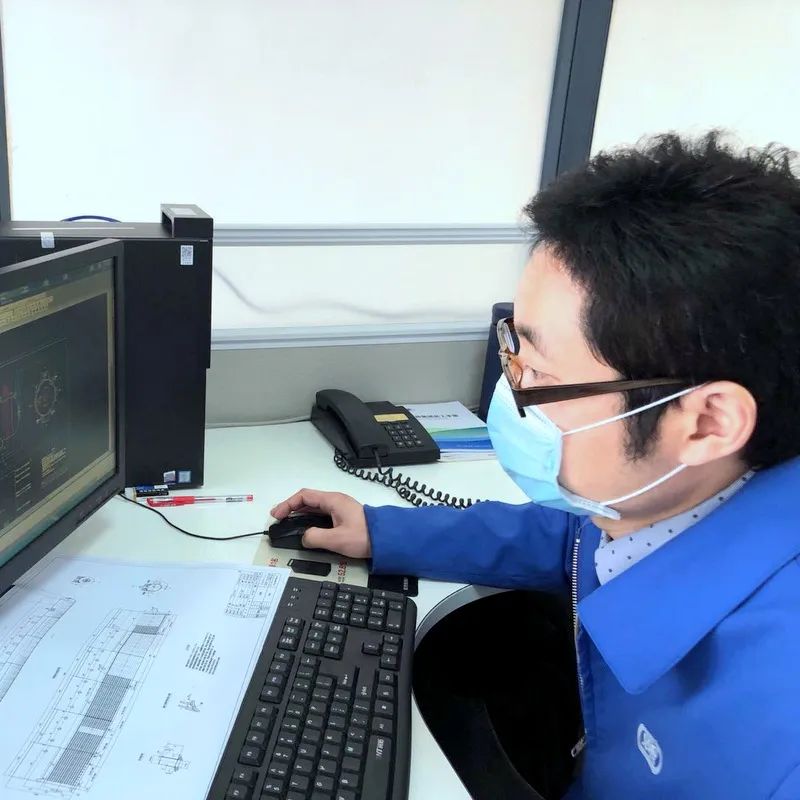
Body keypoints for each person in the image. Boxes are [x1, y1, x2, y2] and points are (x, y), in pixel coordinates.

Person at [271, 132, 800, 800]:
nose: (511, 391)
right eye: (512, 352)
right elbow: (569, 540)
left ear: (707, 423)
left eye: (540, 374)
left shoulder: (779, 730)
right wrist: (383, 530)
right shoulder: (661, 502)